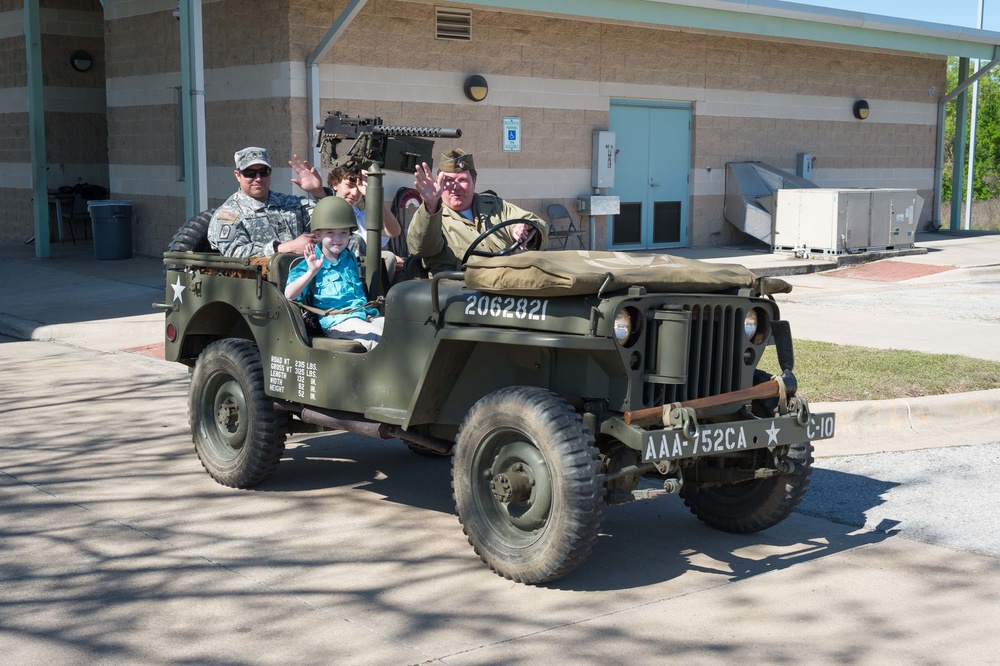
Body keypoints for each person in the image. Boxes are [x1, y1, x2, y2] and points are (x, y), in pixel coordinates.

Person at [407, 148, 549, 275]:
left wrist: (524, 228)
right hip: (460, 290)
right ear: (440, 183)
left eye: (462, 180)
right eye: (448, 180)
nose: (455, 187)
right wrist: (431, 205)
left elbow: (536, 223)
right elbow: (420, 248)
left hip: (506, 282)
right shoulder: (432, 215)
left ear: (474, 181)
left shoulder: (494, 205)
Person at [283, 196, 383, 351]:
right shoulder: (311, 261)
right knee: (378, 338)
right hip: (336, 322)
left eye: (343, 233)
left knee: (398, 331)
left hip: (363, 314)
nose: (338, 239)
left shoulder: (349, 257)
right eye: (330, 232)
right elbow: (289, 295)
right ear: (317, 235)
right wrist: (312, 271)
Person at [207, 147, 327, 258]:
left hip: (305, 275)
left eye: (263, 172)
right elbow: (233, 252)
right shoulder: (229, 214)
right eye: (250, 173)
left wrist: (319, 193)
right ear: (238, 175)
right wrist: (284, 248)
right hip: (260, 279)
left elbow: (333, 220)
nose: (258, 178)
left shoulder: (289, 204)